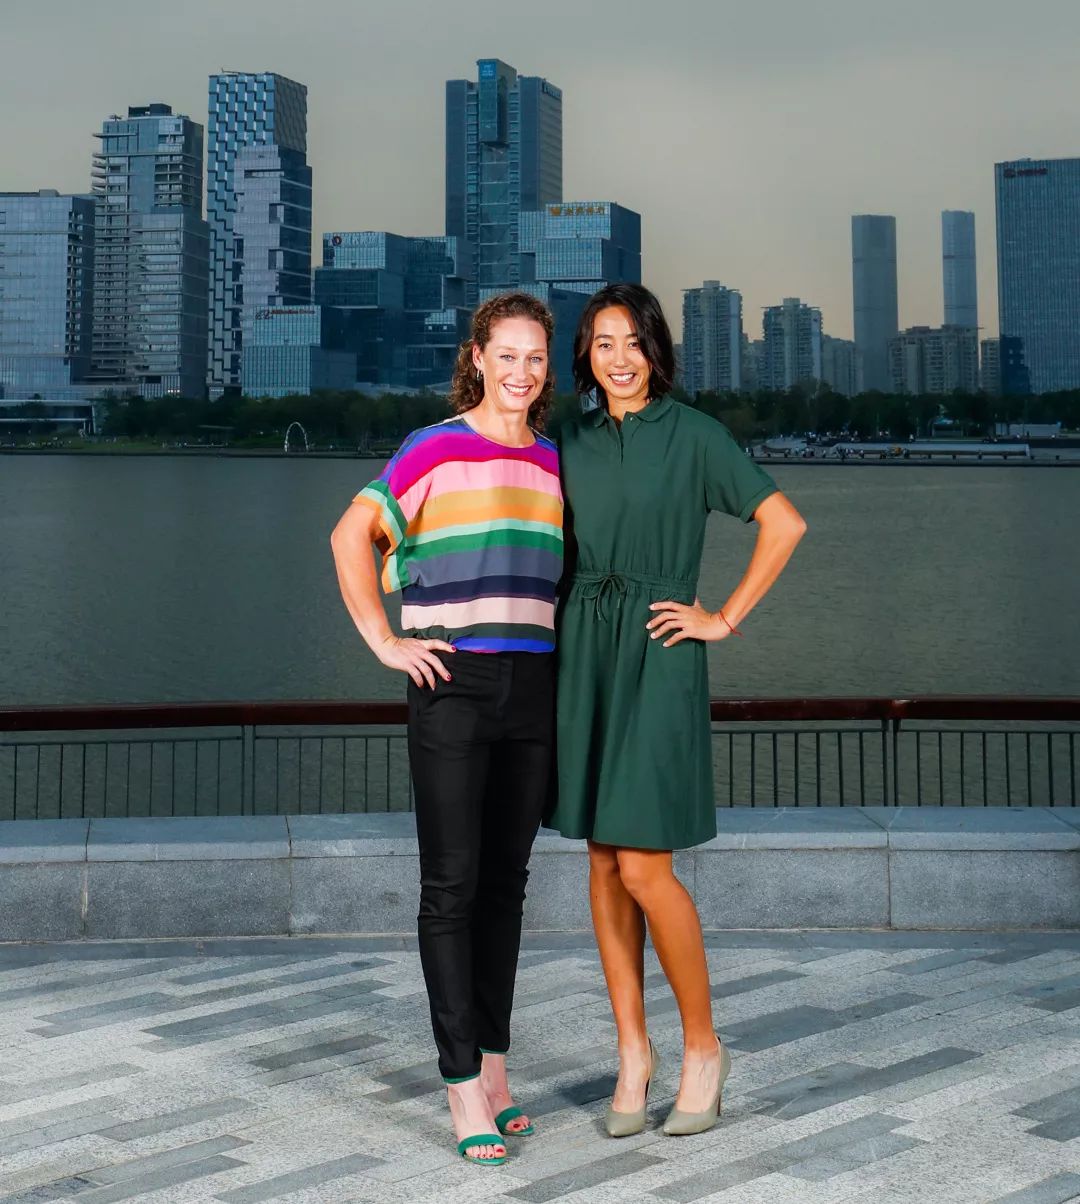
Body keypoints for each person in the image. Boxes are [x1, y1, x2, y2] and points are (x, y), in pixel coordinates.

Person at [547, 283, 806, 1137]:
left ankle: (703, 1047)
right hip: (583, 648)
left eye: (633, 342)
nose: (618, 359)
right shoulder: (568, 436)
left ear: (656, 349)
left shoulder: (695, 435)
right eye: (602, 343)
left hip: (659, 651)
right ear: (585, 355)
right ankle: (633, 1051)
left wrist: (722, 618)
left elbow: (784, 523)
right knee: (600, 861)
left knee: (643, 867)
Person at [330, 292, 563, 1166]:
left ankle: (496, 1068)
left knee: (507, 886)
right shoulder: (432, 447)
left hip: (534, 686)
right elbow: (350, 536)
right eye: (507, 355)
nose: (521, 372)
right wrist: (383, 641)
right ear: (477, 358)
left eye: (535, 357)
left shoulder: (554, 459)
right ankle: (461, 1081)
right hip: (452, 684)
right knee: (452, 887)